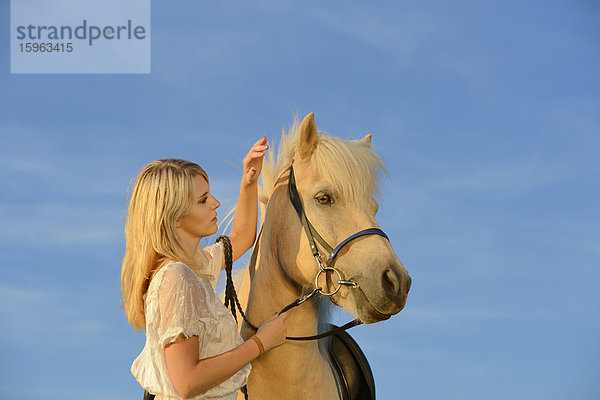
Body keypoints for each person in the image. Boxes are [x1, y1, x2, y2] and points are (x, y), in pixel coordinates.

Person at [120, 137, 288, 400]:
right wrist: (260, 343)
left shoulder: (194, 267)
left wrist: (249, 181)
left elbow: (242, 237)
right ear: (174, 218)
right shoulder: (177, 277)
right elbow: (187, 383)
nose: (216, 203)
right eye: (203, 200)